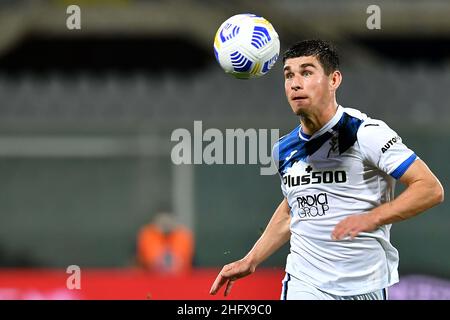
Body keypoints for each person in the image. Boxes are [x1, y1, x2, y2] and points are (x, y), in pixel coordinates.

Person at [209, 40, 444, 300]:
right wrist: (251, 259)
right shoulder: (283, 149)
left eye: (307, 72)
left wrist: (373, 217)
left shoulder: (365, 133)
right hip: (306, 283)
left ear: (334, 80)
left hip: (367, 284)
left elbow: (429, 188)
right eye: (289, 75)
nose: (295, 83)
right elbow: (292, 209)